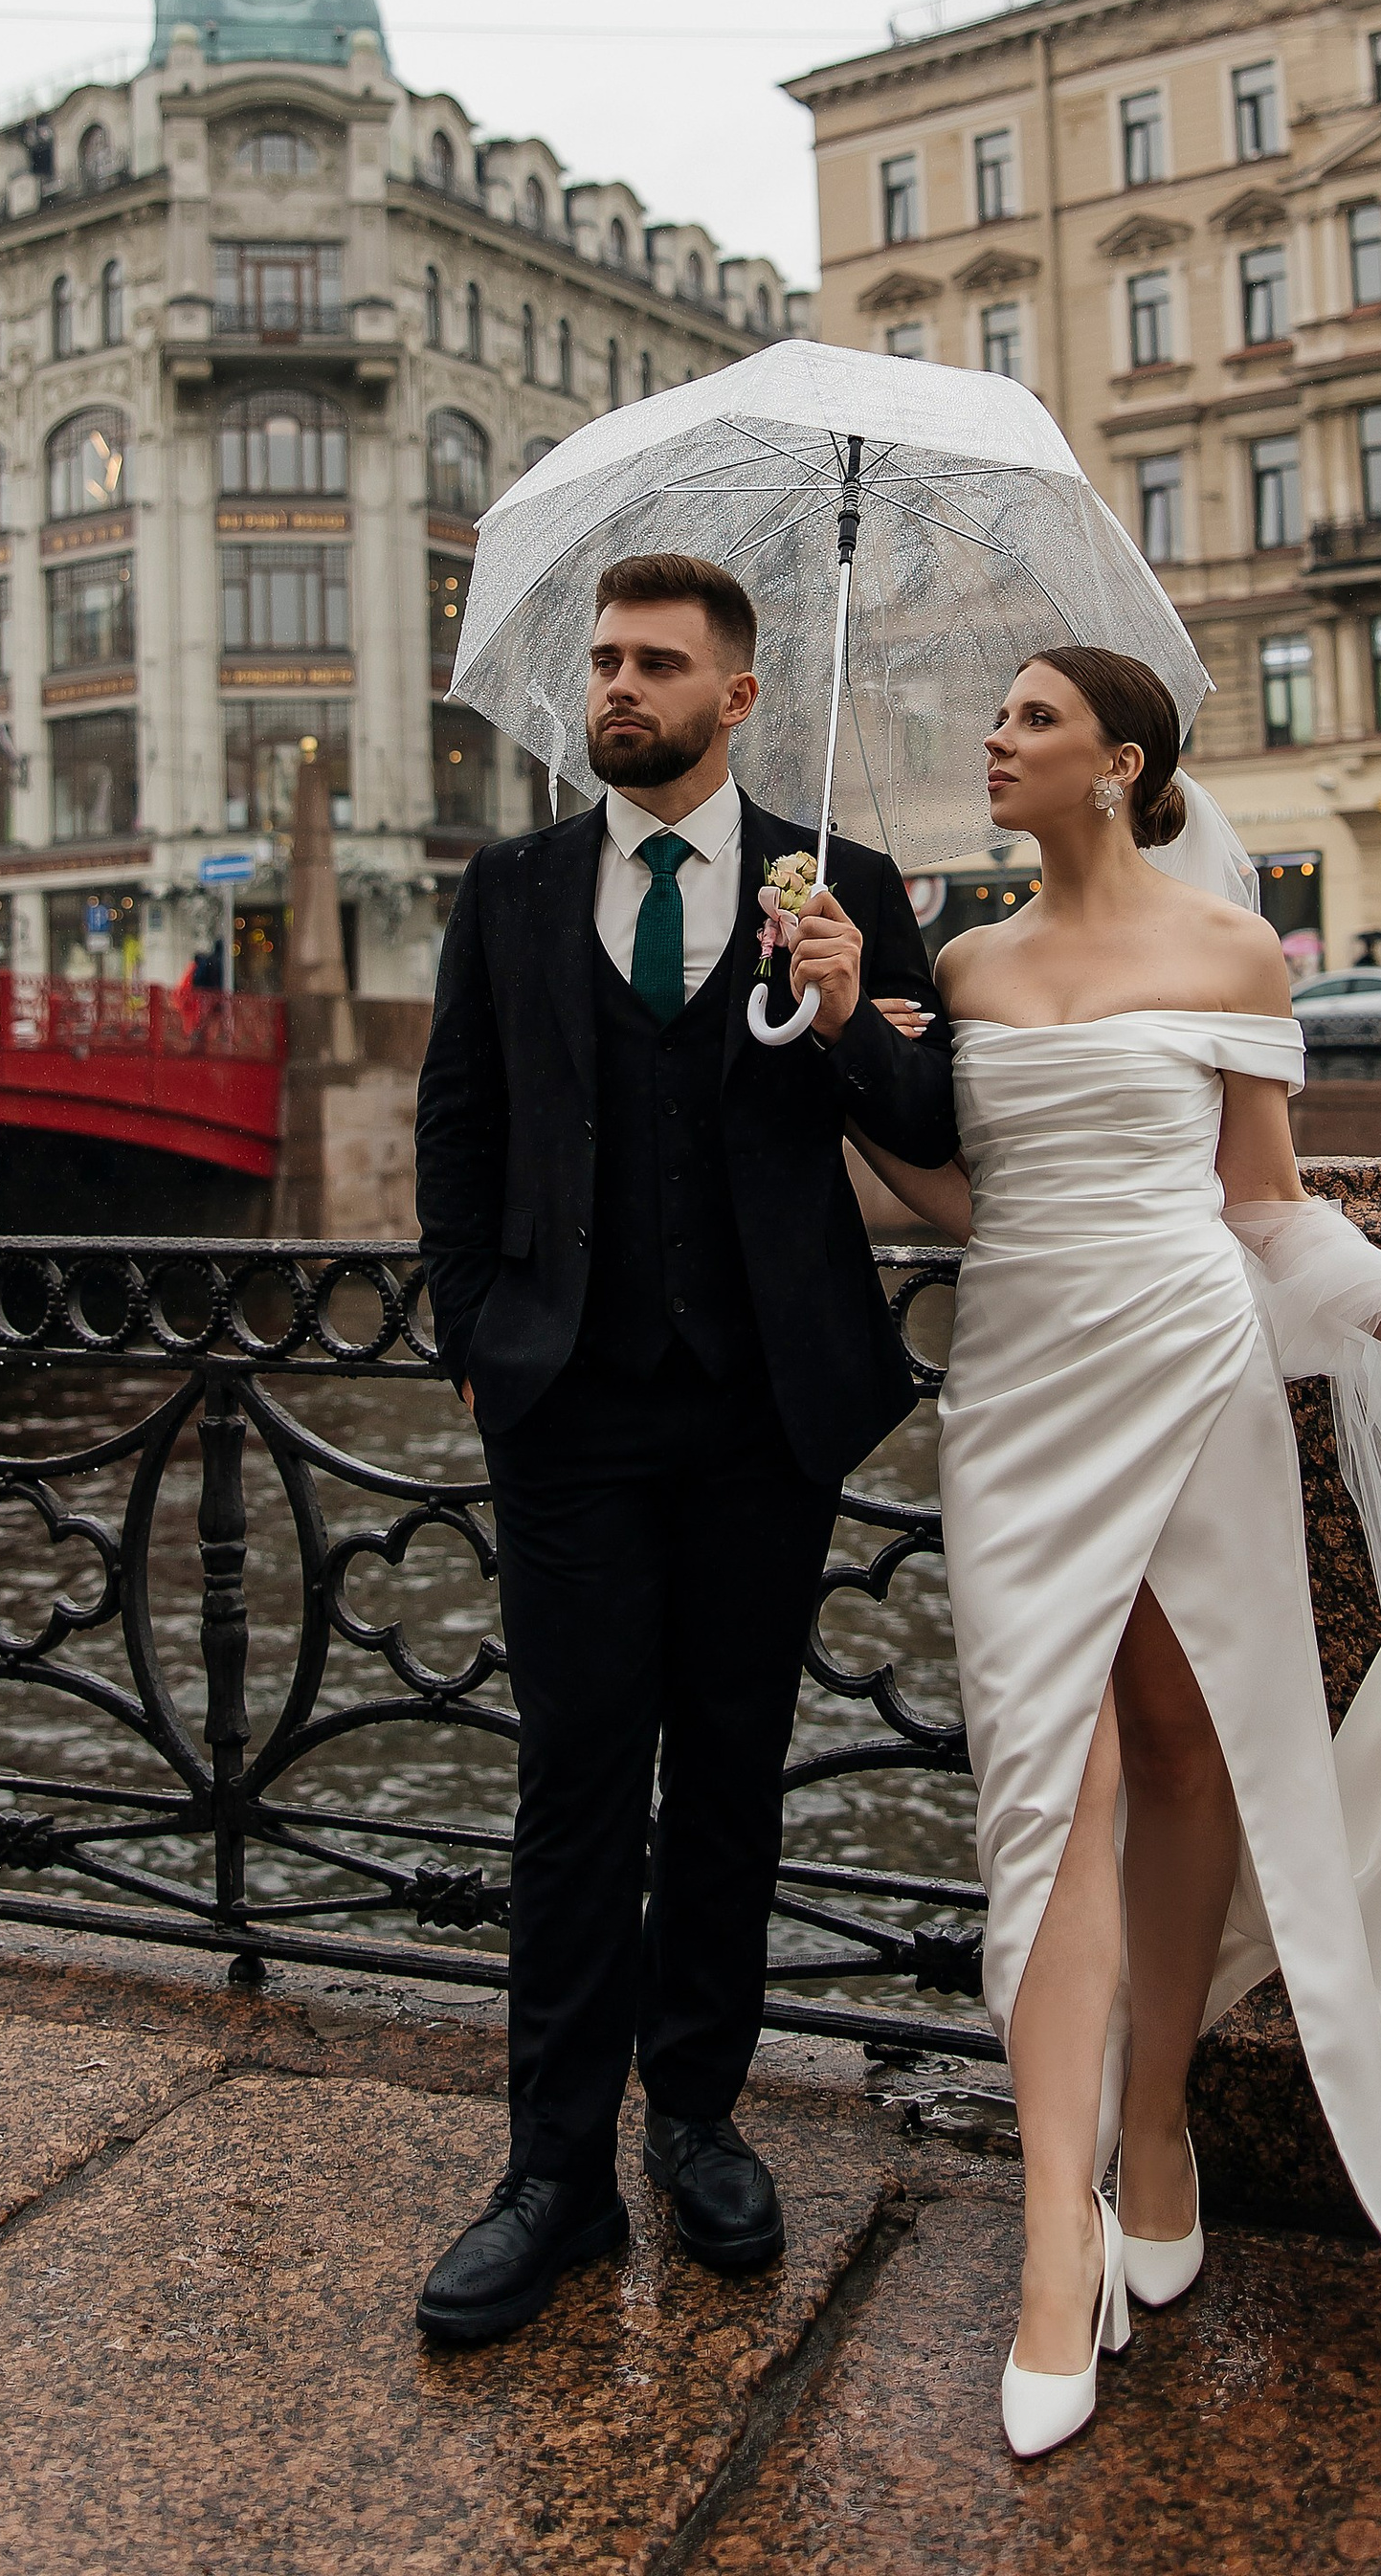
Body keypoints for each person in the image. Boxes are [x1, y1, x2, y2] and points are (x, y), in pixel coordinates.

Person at [820, 643, 1381, 2459]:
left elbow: (1269, 1211)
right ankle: (1059, 2248)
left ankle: (1156, 2126)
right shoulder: (958, 966)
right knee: (1045, 1785)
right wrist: (834, 1061)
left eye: (1027, 717)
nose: (996, 737)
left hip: (1191, 1365)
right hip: (1022, 1382)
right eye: (1001, 712)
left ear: (1119, 763)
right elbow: (970, 1198)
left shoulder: (1232, 955)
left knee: (1194, 1750)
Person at [412, 550, 955, 2347]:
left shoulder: (844, 882)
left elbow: (926, 1125)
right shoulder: (511, 888)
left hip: (761, 1405)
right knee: (574, 1781)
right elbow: (461, 1128)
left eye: (657, 665)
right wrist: (474, 1343)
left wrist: (848, 983)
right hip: (568, 1402)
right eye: (605, 663)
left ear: (738, 697)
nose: (617, 688)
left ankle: (700, 2119)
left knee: (731, 1767)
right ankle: (551, 2172)